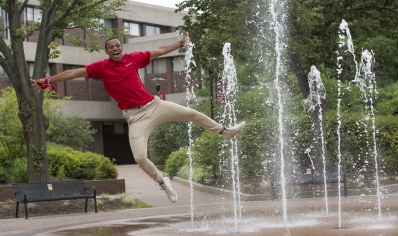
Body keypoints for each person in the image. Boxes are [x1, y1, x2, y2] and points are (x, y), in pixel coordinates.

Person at [31, 32, 245, 203]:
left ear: (121, 48)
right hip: (136, 117)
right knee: (140, 157)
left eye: (118, 45)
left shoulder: (133, 59)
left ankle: (224, 132)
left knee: (191, 113)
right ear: (106, 51)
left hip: (154, 105)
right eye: (111, 47)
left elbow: (159, 50)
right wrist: (49, 81)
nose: (115, 48)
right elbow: (73, 73)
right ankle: (162, 182)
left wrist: (179, 44)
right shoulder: (101, 67)